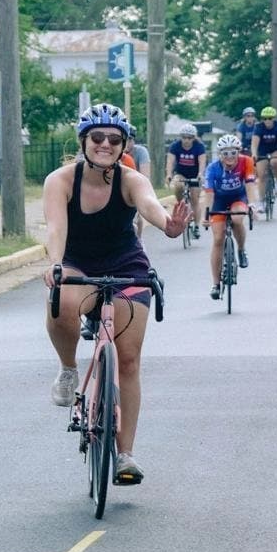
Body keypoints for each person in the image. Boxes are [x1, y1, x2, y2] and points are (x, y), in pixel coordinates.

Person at [43, 104, 190, 485]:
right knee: (61, 302)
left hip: (126, 266)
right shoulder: (60, 180)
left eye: (114, 139)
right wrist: (55, 263)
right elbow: (55, 228)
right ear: (83, 141)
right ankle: (69, 369)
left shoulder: (130, 179)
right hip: (77, 263)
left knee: (128, 360)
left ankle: (125, 455)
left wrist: (168, 225)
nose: (105, 144)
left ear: (124, 144)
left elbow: (149, 205)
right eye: (97, 137)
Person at [203, 133, 257, 299]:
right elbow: (209, 194)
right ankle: (215, 284)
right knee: (218, 239)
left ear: (238, 152)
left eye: (233, 152)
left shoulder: (246, 161)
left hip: (238, 197)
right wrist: (206, 214)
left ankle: (241, 249)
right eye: (225, 153)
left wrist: (252, 205)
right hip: (219, 200)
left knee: (237, 218)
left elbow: (250, 185)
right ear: (220, 154)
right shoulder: (212, 168)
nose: (229, 157)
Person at [165, 123, 205, 240]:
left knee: (194, 199)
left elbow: (202, 162)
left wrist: (200, 174)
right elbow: (170, 161)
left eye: (189, 138)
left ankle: (196, 226)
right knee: (178, 185)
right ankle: (181, 203)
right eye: (184, 137)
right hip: (180, 173)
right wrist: (169, 174)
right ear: (180, 137)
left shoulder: (199, 146)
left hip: (194, 174)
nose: (186, 140)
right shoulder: (175, 146)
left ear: (194, 138)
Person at [250, 106, 277, 206]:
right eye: (265, 119)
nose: (267, 121)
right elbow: (254, 143)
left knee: (275, 162)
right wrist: (254, 153)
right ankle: (262, 202)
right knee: (261, 176)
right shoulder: (258, 127)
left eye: (270, 118)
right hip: (263, 151)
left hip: (276, 150)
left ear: (273, 119)